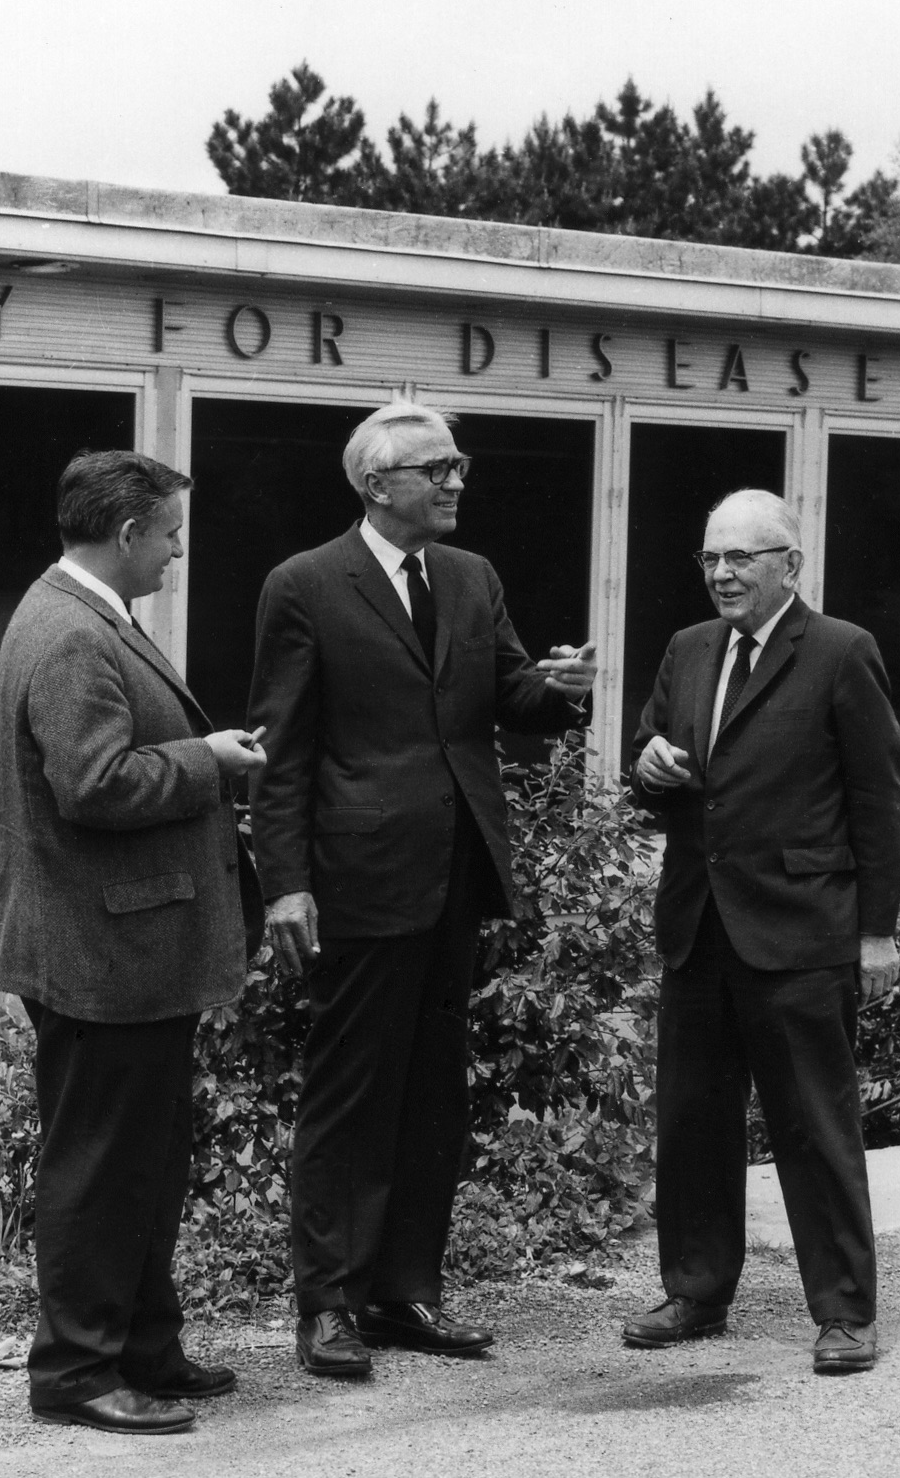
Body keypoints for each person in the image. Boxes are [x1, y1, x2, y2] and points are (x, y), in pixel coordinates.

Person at [247, 400, 596, 1378]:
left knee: (431, 1093)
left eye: (457, 466)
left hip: (457, 875)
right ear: (374, 483)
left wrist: (562, 691)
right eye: (435, 469)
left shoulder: (471, 576)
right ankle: (326, 1306)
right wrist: (285, 885)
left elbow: (510, 693)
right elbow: (283, 750)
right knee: (349, 1094)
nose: (455, 482)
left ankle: (402, 1293)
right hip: (357, 882)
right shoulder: (305, 586)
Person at [0, 448, 269, 1436]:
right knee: (102, 1163)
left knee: (141, 1158)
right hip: (100, 951)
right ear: (124, 533)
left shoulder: (79, 616)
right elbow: (94, 786)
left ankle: (142, 1347)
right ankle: (76, 1372)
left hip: (119, 945)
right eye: (170, 532)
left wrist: (196, 757)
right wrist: (209, 761)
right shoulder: (71, 635)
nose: (178, 551)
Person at [621, 487, 900, 1376]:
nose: (721, 573)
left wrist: (877, 932)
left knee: (814, 1125)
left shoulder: (840, 652)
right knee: (694, 1120)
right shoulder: (688, 649)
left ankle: (846, 1312)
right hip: (700, 928)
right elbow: (649, 778)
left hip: (800, 932)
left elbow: (880, 802)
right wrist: (649, 764)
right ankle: (697, 1289)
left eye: (740, 556)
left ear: (790, 563)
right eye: (710, 558)